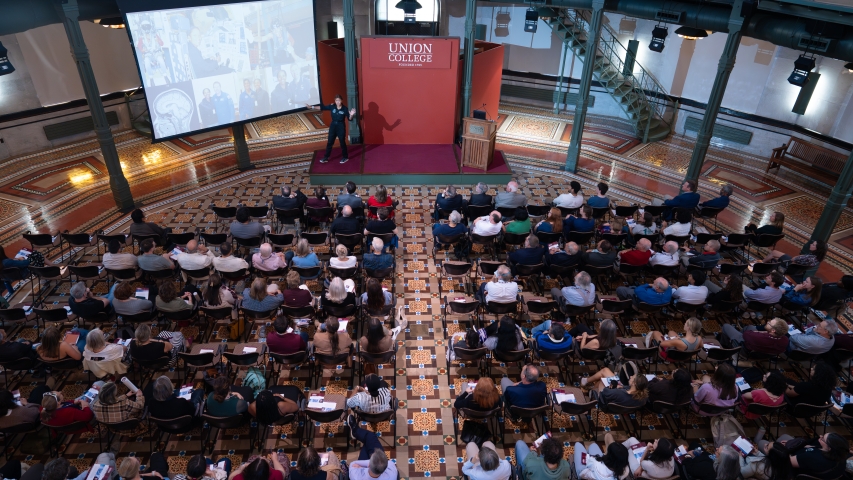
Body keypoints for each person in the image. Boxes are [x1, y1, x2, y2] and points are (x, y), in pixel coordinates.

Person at [308, 95, 356, 164]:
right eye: (336, 100)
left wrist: (351, 115)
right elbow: (323, 107)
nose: (338, 102)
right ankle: (326, 157)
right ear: (335, 101)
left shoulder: (345, 109)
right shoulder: (332, 106)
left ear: (341, 101)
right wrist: (312, 107)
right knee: (330, 142)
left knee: (342, 142)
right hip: (333, 126)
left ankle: (345, 157)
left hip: (340, 126)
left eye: (339, 100)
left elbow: (350, 119)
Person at [720, 316, 789, 361]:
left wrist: (760, 332)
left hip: (744, 349)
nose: (767, 322)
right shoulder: (785, 340)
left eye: (769, 323)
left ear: (773, 330)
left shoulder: (758, 337)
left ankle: (726, 347)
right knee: (750, 327)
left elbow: (746, 334)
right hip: (761, 353)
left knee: (726, 326)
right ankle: (734, 335)